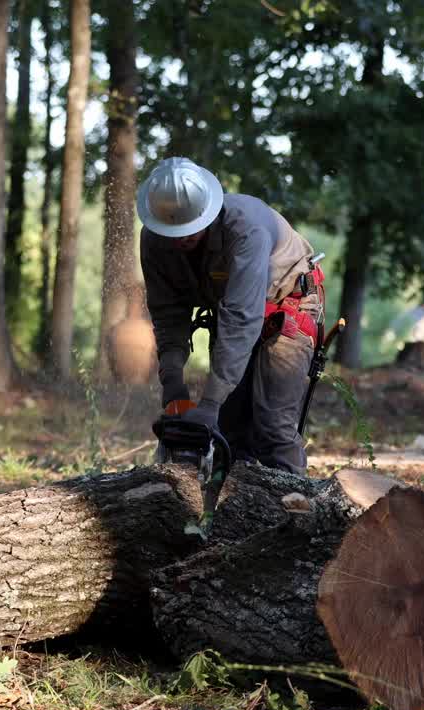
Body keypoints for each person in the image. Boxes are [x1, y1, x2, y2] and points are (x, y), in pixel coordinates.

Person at [138, 157, 324, 475]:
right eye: (173, 232)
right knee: (230, 429)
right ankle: (230, 509)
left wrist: (209, 403)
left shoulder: (244, 229)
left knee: (272, 425)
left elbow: (241, 317)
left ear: (207, 212)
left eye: (190, 231)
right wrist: (173, 388)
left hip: (288, 307)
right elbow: (168, 314)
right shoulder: (154, 241)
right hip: (231, 315)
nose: (181, 239)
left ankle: (296, 505)